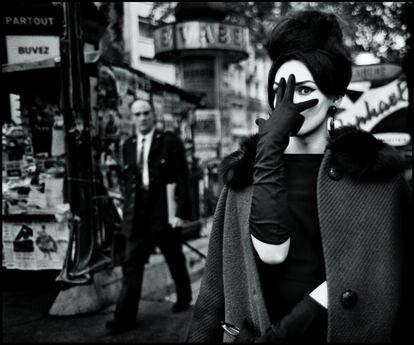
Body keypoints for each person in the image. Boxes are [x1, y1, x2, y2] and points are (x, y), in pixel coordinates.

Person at [186, 10, 411, 343]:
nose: (289, 105)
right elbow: (219, 291)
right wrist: (268, 150)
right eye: (279, 91)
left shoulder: (377, 179)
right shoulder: (243, 180)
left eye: (304, 90)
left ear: (334, 95)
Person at [106, 99, 193, 334]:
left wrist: (180, 214)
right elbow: (127, 183)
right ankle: (124, 317)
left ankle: (184, 297)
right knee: (131, 265)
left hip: (163, 212)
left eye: (146, 113)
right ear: (132, 118)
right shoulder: (128, 145)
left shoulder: (169, 142)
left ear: (153, 115)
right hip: (137, 215)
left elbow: (183, 178)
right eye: (137, 114)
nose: (142, 118)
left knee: (174, 257)